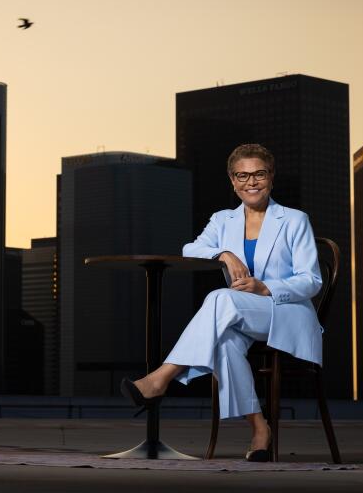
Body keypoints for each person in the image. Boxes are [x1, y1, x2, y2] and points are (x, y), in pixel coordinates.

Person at [120, 143, 323, 462]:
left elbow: (311, 280)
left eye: (259, 174)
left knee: (218, 299)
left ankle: (161, 378)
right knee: (223, 342)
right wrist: (223, 254)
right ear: (232, 181)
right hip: (238, 315)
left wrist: (264, 286)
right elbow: (190, 249)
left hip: (285, 312)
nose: (251, 182)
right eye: (242, 175)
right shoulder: (222, 220)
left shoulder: (295, 220)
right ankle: (260, 429)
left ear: (271, 177)